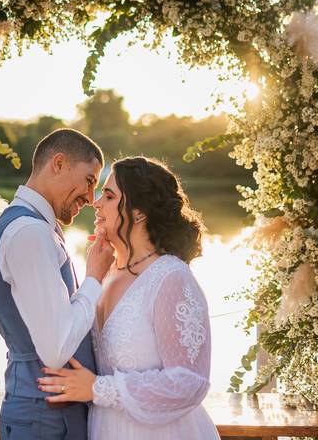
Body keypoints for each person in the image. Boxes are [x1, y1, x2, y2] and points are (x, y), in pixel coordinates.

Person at [38, 156, 219, 440]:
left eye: (109, 196)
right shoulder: (105, 272)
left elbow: (189, 383)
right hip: (107, 429)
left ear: (139, 213)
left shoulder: (171, 278)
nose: (96, 203)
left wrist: (98, 388)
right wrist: (92, 277)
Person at [0, 128, 115, 440]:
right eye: (88, 180)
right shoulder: (30, 233)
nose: (89, 197)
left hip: (49, 412)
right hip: (43, 417)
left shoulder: (37, 227)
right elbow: (55, 349)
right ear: (58, 164)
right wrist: (94, 277)